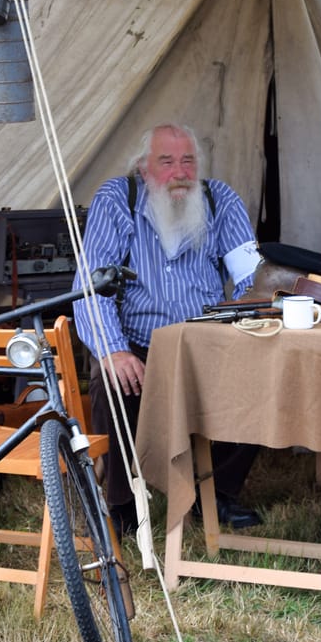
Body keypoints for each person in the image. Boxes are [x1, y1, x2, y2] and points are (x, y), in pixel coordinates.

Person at [73, 123, 262, 534]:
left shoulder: (220, 199)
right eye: (167, 161)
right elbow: (90, 287)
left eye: (188, 161)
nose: (180, 173)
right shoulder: (117, 199)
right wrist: (113, 350)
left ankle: (218, 492)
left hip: (206, 340)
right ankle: (122, 506)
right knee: (112, 381)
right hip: (139, 344)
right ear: (144, 168)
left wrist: (245, 326)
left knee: (264, 373)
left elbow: (252, 277)